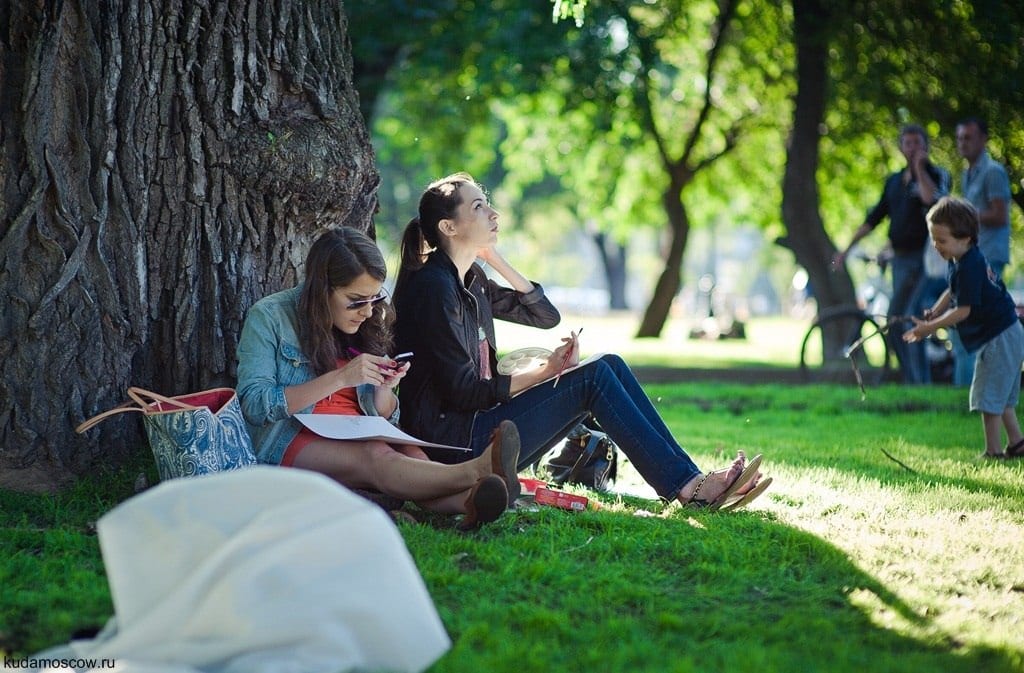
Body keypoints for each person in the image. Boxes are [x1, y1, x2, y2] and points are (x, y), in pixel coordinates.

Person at [391, 172, 770, 512]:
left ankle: (691, 480)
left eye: (488, 204)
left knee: (610, 364)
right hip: (456, 445)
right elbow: (465, 393)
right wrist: (547, 371)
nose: (494, 214)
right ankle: (691, 489)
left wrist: (497, 260)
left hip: (478, 426)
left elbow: (544, 316)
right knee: (594, 377)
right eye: (478, 207)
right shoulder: (434, 289)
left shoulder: (471, 281)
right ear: (449, 226)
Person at [236, 227, 521, 530]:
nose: (367, 311)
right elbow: (254, 404)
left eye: (374, 299)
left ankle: (471, 501)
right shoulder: (270, 317)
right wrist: (340, 378)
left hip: (357, 432)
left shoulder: (368, 321)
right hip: (290, 437)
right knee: (376, 455)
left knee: (411, 455)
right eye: (356, 300)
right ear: (322, 289)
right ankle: (476, 471)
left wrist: (385, 389)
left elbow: (383, 414)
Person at [903, 197, 1024, 459]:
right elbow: (953, 291)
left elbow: (963, 310)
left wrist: (929, 327)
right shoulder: (963, 260)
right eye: (934, 239)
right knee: (1000, 396)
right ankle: (1017, 443)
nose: (936, 246)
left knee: (987, 396)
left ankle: (993, 451)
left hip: (1000, 337)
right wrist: (935, 310)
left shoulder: (970, 265)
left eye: (942, 240)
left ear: (965, 237)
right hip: (1009, 333)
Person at [832, 124, 951, 384]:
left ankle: (921, 383)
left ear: (926, 146)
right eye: (908, 143)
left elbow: (936, 203)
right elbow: (873, 218)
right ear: (900, 147)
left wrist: (920, 169)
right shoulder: (894, 182)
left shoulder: (936, 174)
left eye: (918, 143)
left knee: (910, 317)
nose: (913, 148)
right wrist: (846, 250)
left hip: (926, 262)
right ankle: (913, 379)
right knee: (897, 322)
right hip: (900, 260)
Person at [948, 117, 1014, 386]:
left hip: (989, 257)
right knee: (966, 328)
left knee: (971, 325)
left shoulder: (993, 172)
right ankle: (966, 389)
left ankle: (972, 390)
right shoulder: (968, 173)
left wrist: (965, 215)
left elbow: (1000, 215)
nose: (963, 143)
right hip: (972, 257)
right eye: (960, 138)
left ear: (983, 139)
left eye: (969, 137)